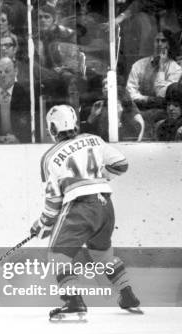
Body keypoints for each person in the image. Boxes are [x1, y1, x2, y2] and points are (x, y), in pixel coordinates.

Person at [32, 105, 141, 321]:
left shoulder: (49, 157)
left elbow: (54, 198)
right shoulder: (94, 140)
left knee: (57, 255)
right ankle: (127, 294)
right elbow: (121, 164)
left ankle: (73, 301)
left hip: (80, 206)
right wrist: (100, 177)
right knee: (102, 254)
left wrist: (43, 223)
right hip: (105, 205)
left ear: (52, 128)